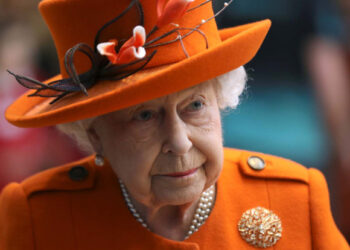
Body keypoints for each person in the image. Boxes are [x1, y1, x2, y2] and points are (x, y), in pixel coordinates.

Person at [0, 0, 348, 249]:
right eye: (145, 116)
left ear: (221, 101)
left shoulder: (296, 199)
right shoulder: (39, 218)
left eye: (195, 105)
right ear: (94, 135)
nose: (180, 142)